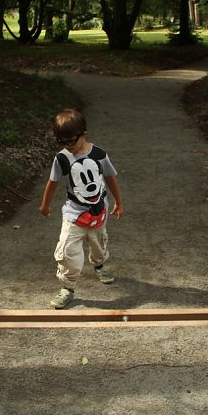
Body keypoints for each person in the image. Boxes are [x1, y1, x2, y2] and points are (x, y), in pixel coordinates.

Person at [39, 108, 124, 309]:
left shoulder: (99, 155)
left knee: (98, 243)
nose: (67, 146)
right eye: (61, 142)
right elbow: (53, 182)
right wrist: (45, 205)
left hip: (98, 212)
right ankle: (67, 288)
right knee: (67, 251)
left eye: (71, 141)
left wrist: (119, 202)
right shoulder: (62, 158)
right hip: (73, 214)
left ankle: (99, 265)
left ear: (83, 134)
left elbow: (110, 178)